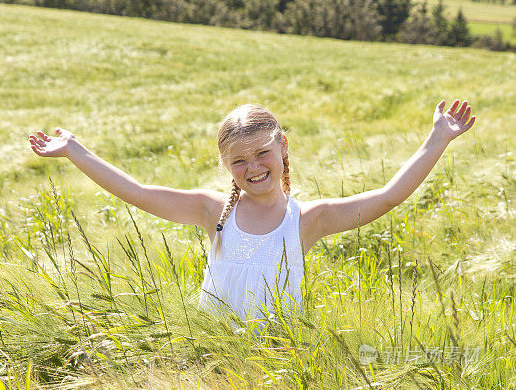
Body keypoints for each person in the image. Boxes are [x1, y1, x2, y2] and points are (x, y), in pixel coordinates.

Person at [29, 100, 475, 322]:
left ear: (283, 147)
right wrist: (75, 151)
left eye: (261, 153)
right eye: (238, 160)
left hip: (279, 358)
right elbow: (138, 191)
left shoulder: (307, 220)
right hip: (210, 354)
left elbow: (388, 196)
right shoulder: (211, 211)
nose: (253, 167)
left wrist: (438, 138)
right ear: (226, 166)